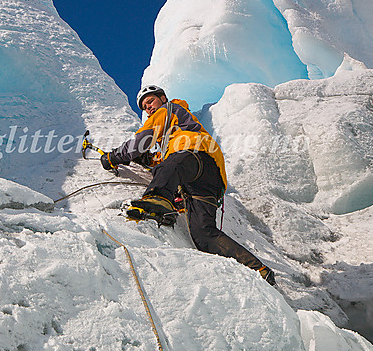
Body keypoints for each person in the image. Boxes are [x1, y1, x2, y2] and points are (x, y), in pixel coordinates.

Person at [101, 85, 276, 285]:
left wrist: (114, 157)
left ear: (162, 98)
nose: (148, 108)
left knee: (171, 165)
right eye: (144, 106)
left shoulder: (168, 110)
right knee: (204, 234)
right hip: (209, 179)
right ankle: (258, 269)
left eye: (150, 101)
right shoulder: (175, 131)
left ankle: (157, 200)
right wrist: (145, 160)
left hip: (196, 156)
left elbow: (143, 140)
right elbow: (162, 161)